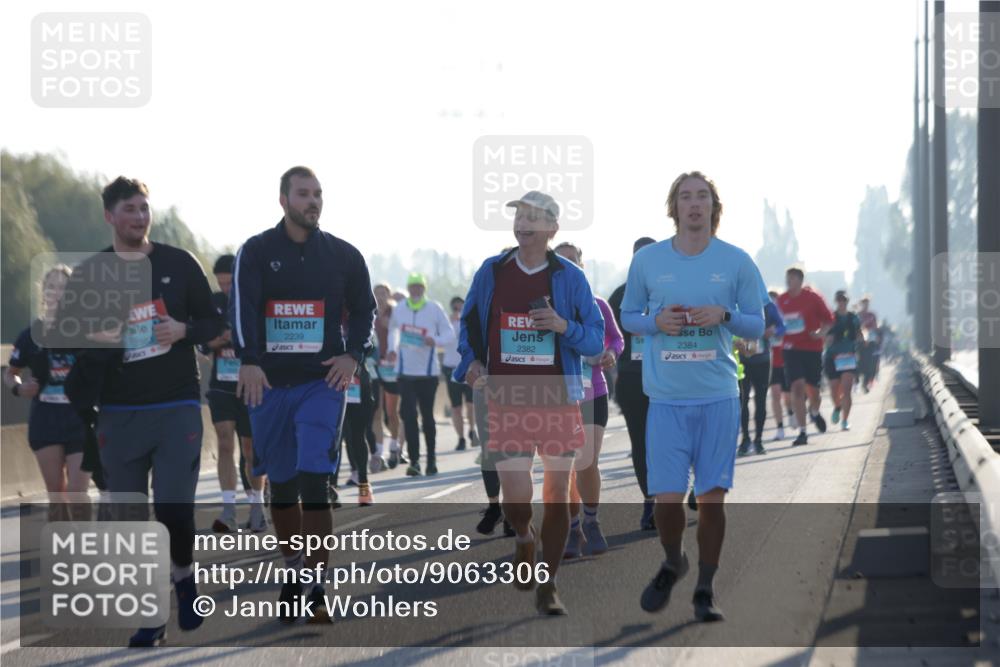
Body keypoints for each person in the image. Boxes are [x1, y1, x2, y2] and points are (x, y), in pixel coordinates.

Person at [52, 176, 222, 646]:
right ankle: (153, 616)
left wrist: (182, 329)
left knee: (174, 510)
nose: (140, 217)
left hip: (176, 405)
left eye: (144, 208)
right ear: (110, 216)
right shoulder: (91, 273)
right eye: (129, 209)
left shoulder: (179, 263)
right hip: (118, 411)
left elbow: (216, 324)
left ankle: (183, 574)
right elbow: (65, 334)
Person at [232, 166, 376, 624]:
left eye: (317, 194)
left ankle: (316, 587)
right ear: (283, 200)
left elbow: (366, 310)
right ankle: (292, 571)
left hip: (322, 383)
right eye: (303, 194)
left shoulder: (343, 256)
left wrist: (353, 355)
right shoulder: (256, 252)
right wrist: (248, 358)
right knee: (284, 485)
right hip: (269, 384)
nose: (312, 201)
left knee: (315, 481)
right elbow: (242, 308)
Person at [621, 171, 764, 623]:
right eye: (686, 197)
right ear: (675, 207)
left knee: (711, 498)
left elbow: (756, 324)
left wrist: (723, 314)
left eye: (702, 196)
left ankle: (705, 587)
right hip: (665, 397)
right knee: (665, 499)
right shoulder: (648, 261)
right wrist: (656, 323)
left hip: (718, 394)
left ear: (713, 206)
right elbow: (628, 317)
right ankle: (673, 560)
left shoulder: (737, 261)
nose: (694, 204)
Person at [454, 190, 604, 615]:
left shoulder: (571, 277)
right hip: (506, 397)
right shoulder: (493, 270)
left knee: (557, 493)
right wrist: (471, 363)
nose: (523, 224)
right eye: (518, 216)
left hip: (557, 397)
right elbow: (468, 325)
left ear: (553, 229)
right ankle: (523, 535)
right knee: (517, 500)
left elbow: (594, 338)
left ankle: (550, 582)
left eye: (533, 218)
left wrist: (561, 325)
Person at [553, 242, 624, 558]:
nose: (568, 266)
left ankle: (591, 521)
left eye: (573, 261)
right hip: (557, 396)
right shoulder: (544, 309)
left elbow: (617, 338)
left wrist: (610, 353)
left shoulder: (597, 303)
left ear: (581, 265)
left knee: (586, 461)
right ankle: (572, 528)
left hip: (592, 391)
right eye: (560, 261)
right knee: (564, 466)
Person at [4, 265, 91, 510]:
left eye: (64, 287)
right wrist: (19, 389)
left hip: (80, 419)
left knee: (77, 492)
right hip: (46, 419)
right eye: (52, 286)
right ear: (43, 293)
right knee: (57, 496)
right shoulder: (31, 335)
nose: (57, 292)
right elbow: (11, 374)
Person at [203, 254, 267, 533]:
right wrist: (223, 339)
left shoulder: (254, 300)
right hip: (221, 385)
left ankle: (257, 507)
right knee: (225, 444)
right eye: (221, 283)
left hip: (250, 386)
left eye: (230, 282)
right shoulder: (213, 303)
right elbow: (204, 342)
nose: (226, 288)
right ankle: (228, 510)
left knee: (252, 449)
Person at [608, 237, 658, 530]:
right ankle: (650, 503)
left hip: (671, 377)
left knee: (675, 441)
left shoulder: (672, 287)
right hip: (632, 378)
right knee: (640, 443)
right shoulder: (620, 295)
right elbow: (612, 338)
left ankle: (694, 488)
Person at [385, 273, 454, 476]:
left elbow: (450, 334)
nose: (416, 290)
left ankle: (431, 459)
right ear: (409, 288)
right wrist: (392, 348)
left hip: (428, 373)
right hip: (405, 372)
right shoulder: (400, 309)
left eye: (419, 287)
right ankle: (414, 461)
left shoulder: (434, 308)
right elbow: (393, 331)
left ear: (424, 288)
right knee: (408, 415)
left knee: (427, 417)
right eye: (412, 287)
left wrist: (435, 340)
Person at [777, 267, 834, 447]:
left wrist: (820, 333)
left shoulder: (813, 298)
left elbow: (829, 320)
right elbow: (776, 322)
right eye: (787, 279)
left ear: (800, 281)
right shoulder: (782, 300)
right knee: (797, 387)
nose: (789, 282)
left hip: (812, 349)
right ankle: (802, 432)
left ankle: (815, 412)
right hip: (791, 349)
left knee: (814, 392)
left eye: (792, 279)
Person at [736, 292, 785, 456]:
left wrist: (773, 331)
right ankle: (745, 440)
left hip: (763, 360)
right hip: (743, 360)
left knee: (761, 400)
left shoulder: (768, 306)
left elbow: (782, 326)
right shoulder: (738, 303)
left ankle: (758, 440)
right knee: (742, 401)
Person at [371, 283, 405, 467]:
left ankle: (394, 445)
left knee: (392, 412)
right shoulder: (369, 312)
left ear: (389, 295)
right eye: (377, 293)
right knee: (376, 410)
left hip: (391, 366)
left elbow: (400, 335)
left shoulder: (396, 313)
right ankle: (378, 452)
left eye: (383, 293)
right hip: (374, 367)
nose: (380, 297)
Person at [441, 296, 478, 451]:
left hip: (467, 367)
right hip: (451, 368)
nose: (458, 311)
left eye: (460, 308)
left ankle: (471, 430)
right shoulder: (446, 324)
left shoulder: (469, 322)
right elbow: (442, 341)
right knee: (456, 407)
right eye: (455, 308)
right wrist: (450, 323)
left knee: (471, 405)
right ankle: (461, 438)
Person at [824, 290, 863, 431]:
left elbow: (859, 333)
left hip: (848, 356)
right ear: (836, 301)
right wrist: (827, 339)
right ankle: (837, 406)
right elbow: (825, 336)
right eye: (839, 300)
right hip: (832, 357)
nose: (842, 302)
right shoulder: (831, 317)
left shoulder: (854, 318)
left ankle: (845, 420)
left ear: (847, 301)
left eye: (844, 300)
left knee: (846, 390)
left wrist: (861, 339)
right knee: (834, 389)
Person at [857, 296, 880, 392]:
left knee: (871, 362)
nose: (866, 305)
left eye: (867, 303)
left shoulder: (872, 315)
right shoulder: (858, 315)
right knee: (861, 362)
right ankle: (859, 378)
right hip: (861, 342)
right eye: (864, 303)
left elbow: (875, 327)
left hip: (871, 341)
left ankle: (866, 383)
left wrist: (877, 336)